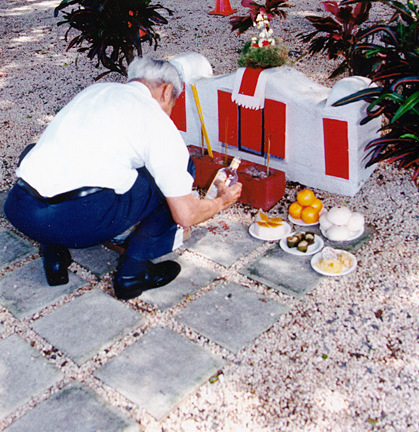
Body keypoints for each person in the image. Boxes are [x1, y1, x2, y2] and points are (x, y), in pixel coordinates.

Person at [4, 57, 242, 300]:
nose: (171, 109)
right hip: (77, 225)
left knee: (40, 153)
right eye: (173, 102)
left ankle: (54, 258)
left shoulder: (95, 91)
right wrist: (221, 201)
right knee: (178, 173)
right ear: (167, 90)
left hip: (21, 209)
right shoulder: (156, 119)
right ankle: (132, 275)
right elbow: (185, 214)